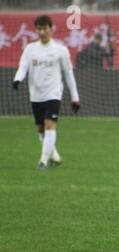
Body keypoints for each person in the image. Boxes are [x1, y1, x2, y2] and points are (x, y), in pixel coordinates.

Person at [12, 15, 80, 170]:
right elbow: (23, 67)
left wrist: (75, 97)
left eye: (45, 28)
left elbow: (68, 74)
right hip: (36, 94)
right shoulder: (30, 49)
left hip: (53, 93)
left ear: (51, 29)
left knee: (50, 125)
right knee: (41, 129)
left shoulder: (60, 50)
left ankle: (43, 161)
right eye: (39, 29)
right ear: (36, 30)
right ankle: (55, 157)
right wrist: (17, 79)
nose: (42, 32)